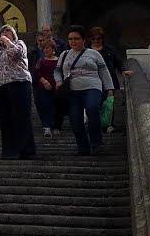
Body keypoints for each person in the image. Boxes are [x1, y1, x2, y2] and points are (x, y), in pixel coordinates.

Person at [56, 28, 114, 156]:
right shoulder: (64, 54)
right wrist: (59, 81)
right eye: (70, 39)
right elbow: (57, 71)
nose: (73, 41)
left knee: (92, 109)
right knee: (75, 119)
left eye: (76, 38)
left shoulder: (94, 54)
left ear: (83, 40)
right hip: (72, 90)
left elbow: (104, 71)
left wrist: (109, 88)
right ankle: (83, 146)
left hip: (92, 85)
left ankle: (96, 143)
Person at [0, 25, 36, 160]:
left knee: (21, 116)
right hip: (3, 86)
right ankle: (9, 150)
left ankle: (25, 150)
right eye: (2, 32)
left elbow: (16, 53)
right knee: (6, 119)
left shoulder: (19, 44)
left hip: (20, 83)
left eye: (8, 31)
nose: (4, 33)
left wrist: (7, 41)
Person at [32, 37, 61, 136]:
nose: (46, 50)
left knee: (57, 107)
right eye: (44, 48)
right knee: (45, 105)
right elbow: (36, 73)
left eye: (48, 48)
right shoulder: (41, 60)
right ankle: (47, 126)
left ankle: (56, 126)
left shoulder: (59, 61)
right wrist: (44, 82)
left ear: (53, 49)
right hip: (43, 87)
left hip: (57, 87)